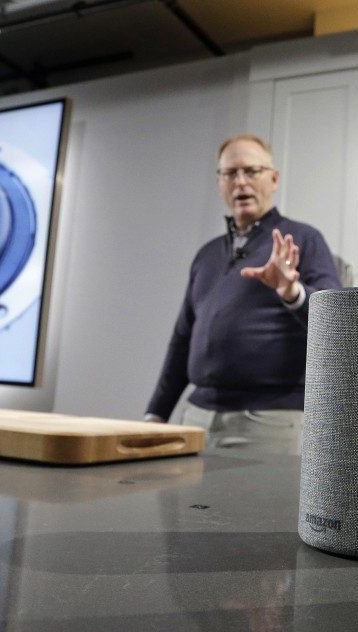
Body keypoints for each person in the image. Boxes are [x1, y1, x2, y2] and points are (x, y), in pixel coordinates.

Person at [144, 134, 341, 454]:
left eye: (251, 171)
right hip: (196, 417)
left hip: (269, 421)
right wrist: (156, 414)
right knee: (184, 506)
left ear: (273, 179)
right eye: (230, 174)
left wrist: (290, 290)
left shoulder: (303, 239)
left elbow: (337, 323)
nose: (241, 182)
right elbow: (182, 339)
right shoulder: (206, 255)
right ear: (220, 184)